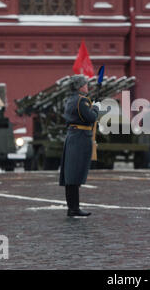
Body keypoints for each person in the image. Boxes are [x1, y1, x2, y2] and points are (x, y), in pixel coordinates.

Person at [59, 75, 101, 217]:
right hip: (81, 137)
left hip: (73, 136)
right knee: (75, 174)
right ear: (80, 86)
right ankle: (74, 208)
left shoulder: (70, 99)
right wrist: (96, 108)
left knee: (71, 174)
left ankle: (72, 207)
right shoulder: (81, 100)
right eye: (85, 84)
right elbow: (91, 118)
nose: (87, 86)